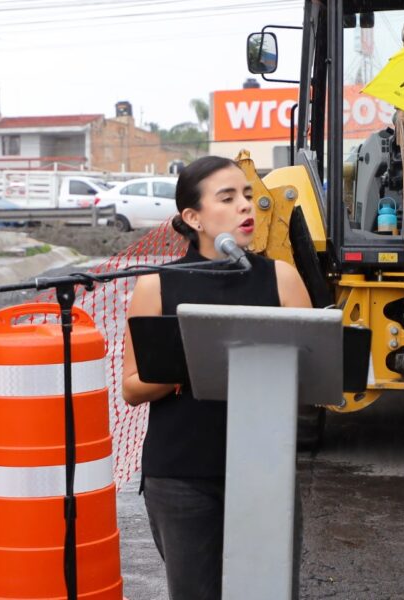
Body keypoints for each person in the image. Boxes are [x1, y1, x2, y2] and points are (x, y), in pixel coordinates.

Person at [122, 155, 312, 600]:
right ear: (193, 218)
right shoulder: (157, 285)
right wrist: (196, 363)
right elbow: (132, 387)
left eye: (247, 195)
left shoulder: (280, 279)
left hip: (267, 470)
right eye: (227, 198)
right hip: (181, 475)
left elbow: (315, 371)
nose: (246, 206)